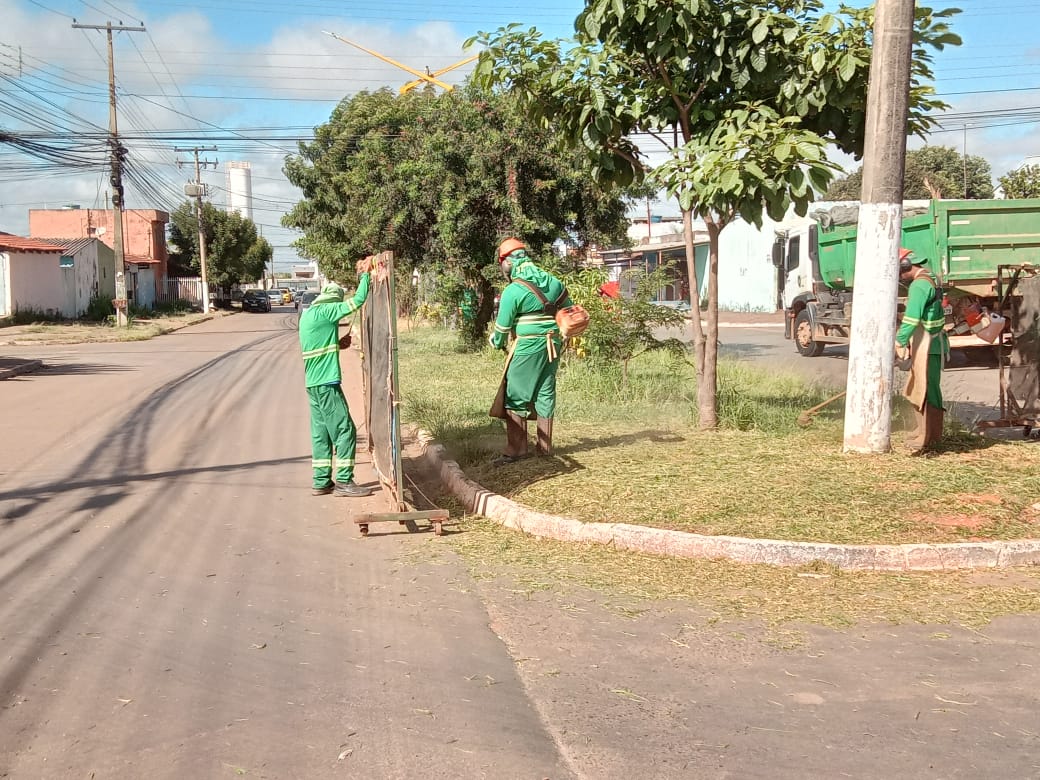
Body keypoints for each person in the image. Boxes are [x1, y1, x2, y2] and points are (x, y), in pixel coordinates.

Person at [489, 238, 572, 465]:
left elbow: (502, 329)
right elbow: (569, 308)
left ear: (507, 263)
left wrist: (495, 341)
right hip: (553, 344)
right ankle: (544, 448)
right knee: (546, 391)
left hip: (528, 346)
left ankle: (517, 450)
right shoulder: (554, 283)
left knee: (515, 395)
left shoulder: (513, 290)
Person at [299, 258, 373, 496]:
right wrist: (365, 275)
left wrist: (338, 344)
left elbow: (317, 346)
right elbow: (359, 300)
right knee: (345, 430)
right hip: (327, 384)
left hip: (313, 385)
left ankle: (321, 481)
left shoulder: (308, 316)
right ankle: (344, 480)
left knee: (321, 434)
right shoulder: (328, 309)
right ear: (334, 299)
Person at [895, 247, 947, 452]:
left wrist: (900, 340)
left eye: (899, 271)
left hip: (928, 342)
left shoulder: (919, 285)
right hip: (927, 340)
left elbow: (911, 317)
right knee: (918, 385)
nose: (899, 276)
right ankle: (922, 430)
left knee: (928, 388)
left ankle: (930, 437)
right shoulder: (929, 276)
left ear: (906, 266)